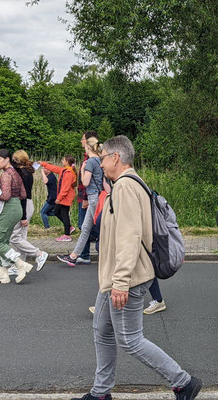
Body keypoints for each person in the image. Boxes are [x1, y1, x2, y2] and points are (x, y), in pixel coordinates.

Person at [72, 135, 202, 400]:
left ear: (115, 158)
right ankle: (100, 393)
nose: (101, 162)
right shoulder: (124, 185)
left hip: (127, 278)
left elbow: (130, 236)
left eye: (103, 157)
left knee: (130, 339)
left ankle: (183, 382)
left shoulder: (126, 187)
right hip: (114, 277)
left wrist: (120, 281)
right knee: (103, 330)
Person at [0, 149, 34, 285]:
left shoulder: (7, 175)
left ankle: (20, 264)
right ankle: (3, 273)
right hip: (17, 207)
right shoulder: (17, 174)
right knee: (4, 241)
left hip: (9, 208)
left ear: (7, 159)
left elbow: (6, 196)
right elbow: (23, 194)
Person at [57, 137, 104, 266]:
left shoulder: (89, 162)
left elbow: (86, 182)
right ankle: (74, 255)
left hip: (93, 197)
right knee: (85, 227)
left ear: (88, 147)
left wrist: (82, 170)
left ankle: (108, 254)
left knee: (101, 228)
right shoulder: (100, 160)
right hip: (98, 196)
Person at [9, 150, 48, 272]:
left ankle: (39, 254)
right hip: (28, 203)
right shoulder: (27, 171)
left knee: (14, 237)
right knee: (21, 236)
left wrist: (23, 216)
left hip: (24, 204)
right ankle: (20, 265)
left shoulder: (23, 174)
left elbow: (23, 195)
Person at [40, 156, 77, 242]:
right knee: (56, 211)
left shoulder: (69, 173)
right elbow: (53, 168)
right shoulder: (63, 170)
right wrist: (42, 163)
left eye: (63, 160)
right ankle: (69, 227)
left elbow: (66, 188)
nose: (62, 161)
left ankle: (67, 235)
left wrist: (59, 198)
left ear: (67, 161)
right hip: (63, 197)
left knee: (64, 214)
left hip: (65, 197)